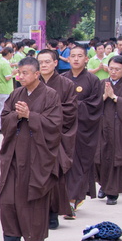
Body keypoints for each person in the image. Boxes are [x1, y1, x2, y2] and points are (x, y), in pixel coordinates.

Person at [0, 57, 60, 241]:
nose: (20, 76)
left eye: (25, 73)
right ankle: (11, 237)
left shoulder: (50, 95)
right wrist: (17, 115)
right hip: (14, 152)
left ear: (37, 74)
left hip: (37, 154)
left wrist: (31, 116)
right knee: (8, 194)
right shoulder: (16, 94)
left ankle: (37, 237)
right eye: (19, 72)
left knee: (35, 194)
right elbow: (4, 117)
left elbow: (55, 124)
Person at [37, 49, 78, 227]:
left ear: (56, 63)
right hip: (34, 137)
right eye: (40, 62)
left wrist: (45, 118)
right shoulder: (30, 82)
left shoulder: (66, 84)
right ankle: (37, 213)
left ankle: (53, 213)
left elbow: (70, 111)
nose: (44, 65)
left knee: (54, 176)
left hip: (56, 137)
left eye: (47, 61)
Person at [64, 45, 105, 215]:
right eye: (72, 56)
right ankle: (66, 198)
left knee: (79, 163)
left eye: (79, 56)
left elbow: (95, 105)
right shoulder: (62, 78)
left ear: (86, 59)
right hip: (64, 129)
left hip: (83, 129)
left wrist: (74, 106)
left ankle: (73, 199)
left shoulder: (92, 80)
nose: (75, 59)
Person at [94, 56, 122, 207]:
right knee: (98, 157)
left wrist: (114, 97)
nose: (113, 72)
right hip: (100, 126)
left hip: (118, 128)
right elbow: (91, 106)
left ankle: (112, 192)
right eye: (111, 68)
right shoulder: (100, 84)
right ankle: (103, 185)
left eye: (117, 69)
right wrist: (104, 96)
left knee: (114, 159)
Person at [0, 46, 15, 117]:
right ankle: (1, 125)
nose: (12, 56)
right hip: (5, 88)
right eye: (12, 54)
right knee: (3, 108)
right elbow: (7, 77)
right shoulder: (5, 64)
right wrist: (13, 73)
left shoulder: (0, 61)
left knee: (0, 108)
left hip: (0, 87)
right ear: (8, 54)